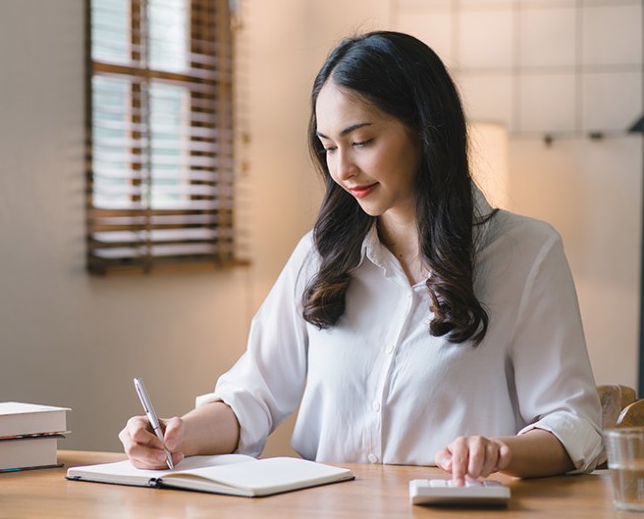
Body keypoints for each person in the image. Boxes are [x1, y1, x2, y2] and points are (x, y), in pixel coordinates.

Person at [119, 31, 604, 485]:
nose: (343, 169)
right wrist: (176, 434)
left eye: (362, 141)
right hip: (325, 507)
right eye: (329, 147)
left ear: (425, 128)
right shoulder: (321, 254)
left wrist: (502, 452)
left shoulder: (526, 252)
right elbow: (253, 397)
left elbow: (575, 422)